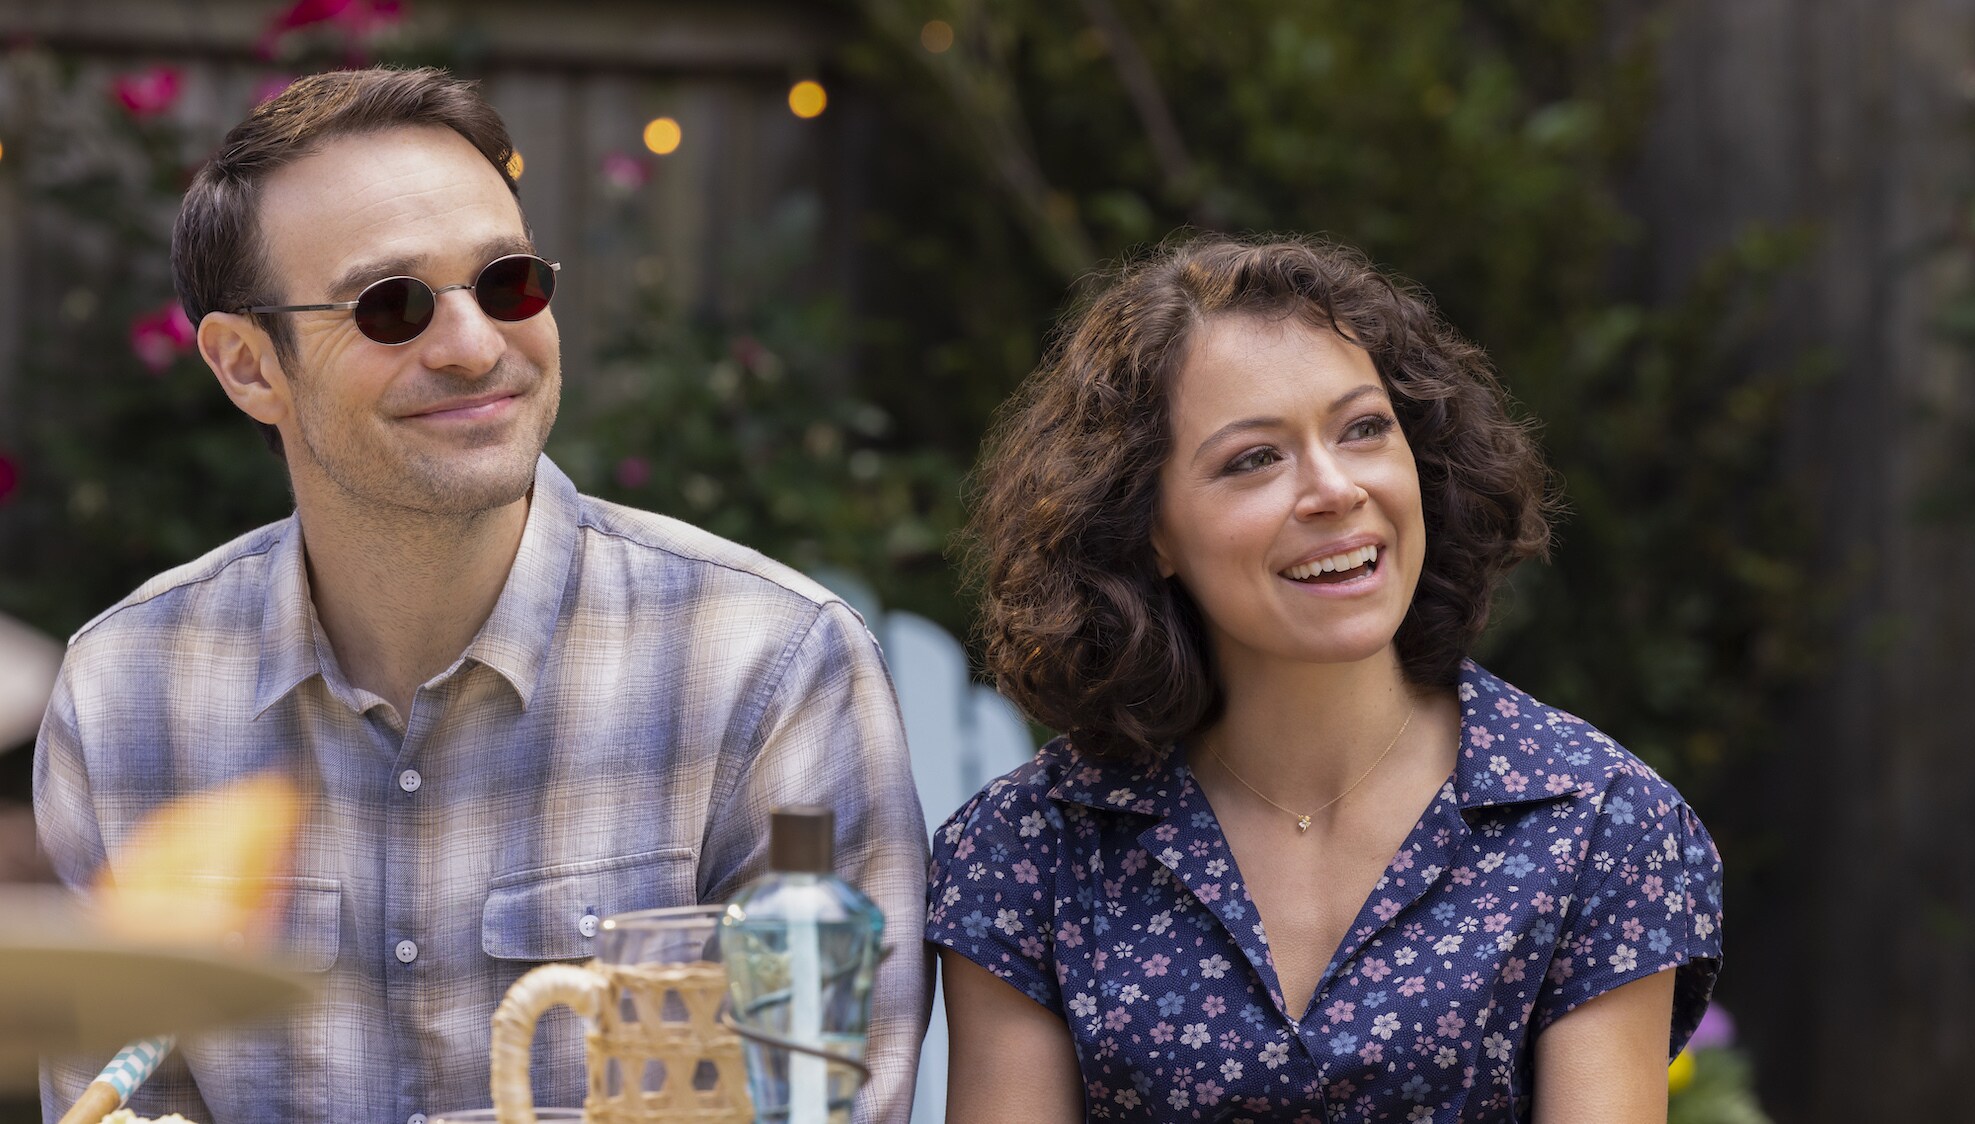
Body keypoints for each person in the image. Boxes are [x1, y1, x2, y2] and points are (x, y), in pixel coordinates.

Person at [35, 67, 928, 1124]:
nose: (472, 344)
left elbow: (819, 1108)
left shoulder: (767, 666)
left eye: (506, 281)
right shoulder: (126, 694)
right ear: (245, 366)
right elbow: (116, 1104)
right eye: (391, 305)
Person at [928, 236, 1723, 1122]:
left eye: (1364, 429)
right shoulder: (1030, 850)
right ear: (1147, 530)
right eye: (1253, 460)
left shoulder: (1595, 824)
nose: (1335, 488)